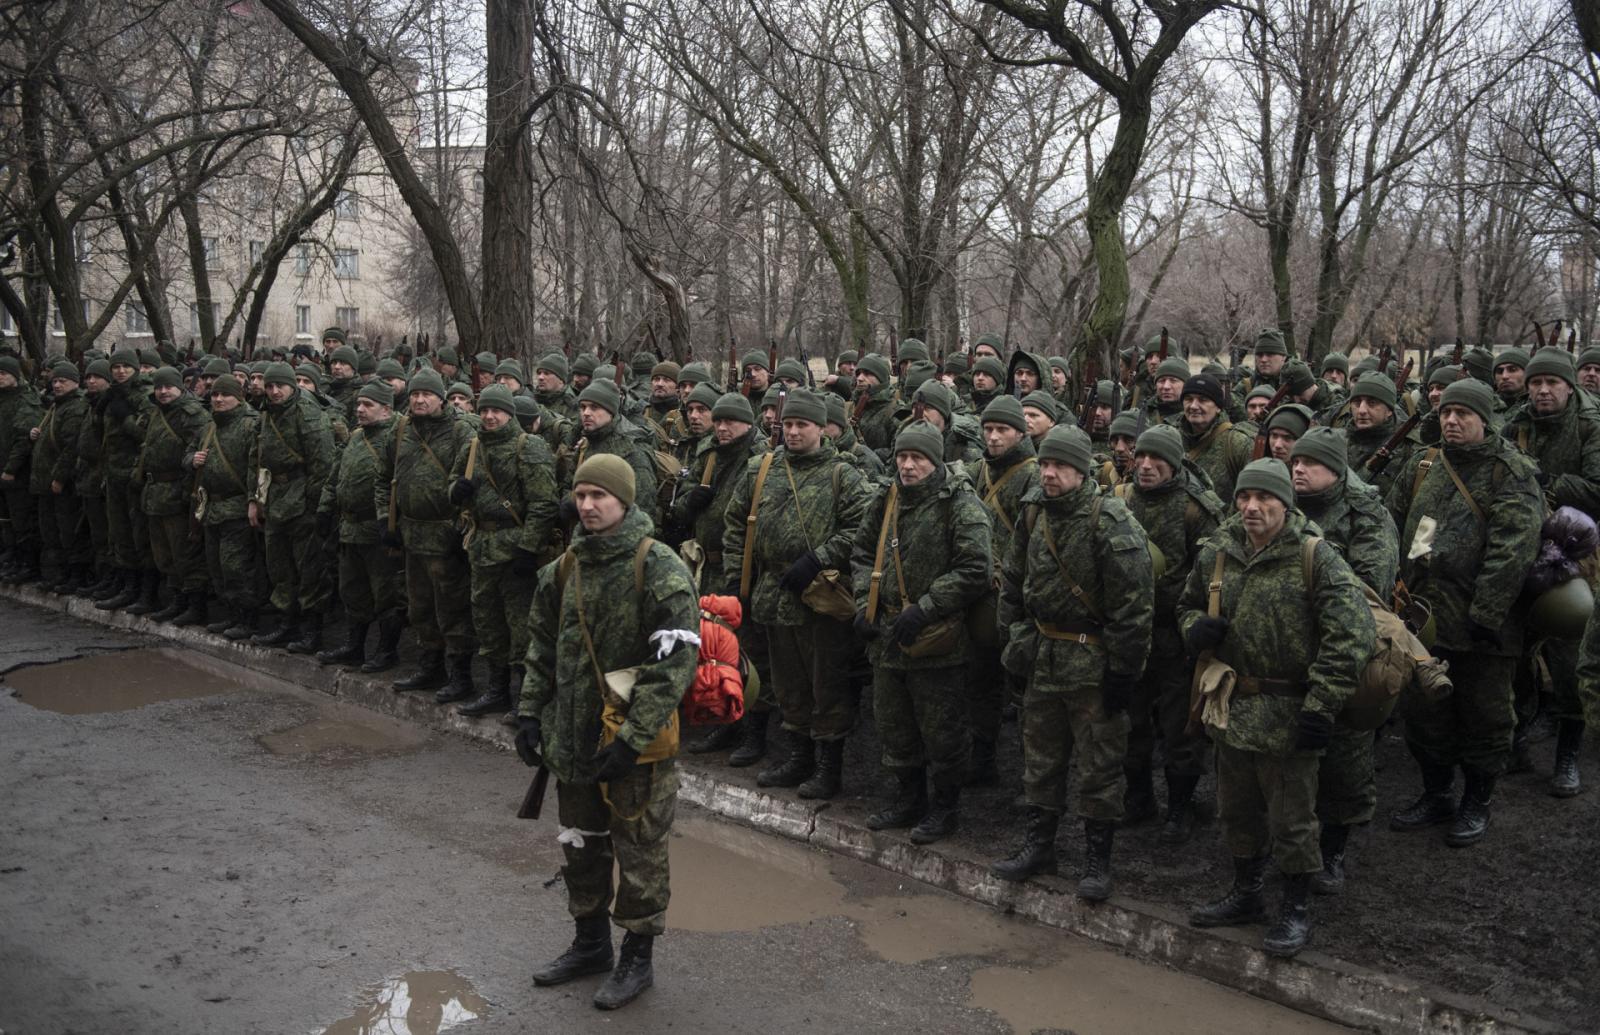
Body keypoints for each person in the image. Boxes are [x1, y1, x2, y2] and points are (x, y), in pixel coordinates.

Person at [515, 454, 698, 1011]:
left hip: (633, 746)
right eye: (581, 495)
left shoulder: (659, 566)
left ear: (625, 500)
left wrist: (632, 739)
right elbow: (542, 646)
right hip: (571, 739)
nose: (587, 505)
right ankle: (590, 943)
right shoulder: (564, 568)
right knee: (582, 845)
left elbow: (675, 665)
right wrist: (529, 712)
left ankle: (637, 959)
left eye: (600, 495)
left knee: (640, 850)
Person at [1181, 458, 1374, 958]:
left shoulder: (1316, 557)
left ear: (1285, 505)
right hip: (1232, 708)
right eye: (1244, 498)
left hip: (1290, 714)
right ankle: (1246, 894)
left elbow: (1351, 636)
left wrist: (1322, 704)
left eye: (1264, 499)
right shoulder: (1219, 555)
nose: (1251, 507)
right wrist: (1193, 629)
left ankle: (1294, 908)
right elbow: (1185, 605)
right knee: (1236, 811)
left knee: (1293, 820)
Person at [990, 425, 1153, 902]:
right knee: (1040, 759)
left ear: (1082, 470)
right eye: (1044, 464)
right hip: (1042, 656)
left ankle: (1097, 862)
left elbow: (1134, 607)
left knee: (1099, 766)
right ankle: (1039, 846)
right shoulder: (1034, 512)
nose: (1049, 474)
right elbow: (1013, 582)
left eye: (1060, 466)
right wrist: (1014, 642)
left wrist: (1123, 673)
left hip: (1093, 663)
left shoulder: (1111, 521)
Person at [1386, 378, 1542, 846]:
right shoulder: (1423, 463)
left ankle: (1477, 800)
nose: (1451, 421)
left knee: (1486, 717)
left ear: (1485, 419)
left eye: (1463, 414)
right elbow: (1390, 524)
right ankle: (1437, 794)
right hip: (1422, 618)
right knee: (1424, 714)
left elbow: (1513, 548)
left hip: (1482, 627)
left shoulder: (1510, 472)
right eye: (1447, 413)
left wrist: (1488, 614)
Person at [723, 388, 868, 799]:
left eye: (802, 424)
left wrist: (820, 557)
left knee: (827, 683)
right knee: (787, 684)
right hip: (772, 593)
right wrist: (739, 578)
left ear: (822, 428)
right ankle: (798, 756)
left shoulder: (844, 474)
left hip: (820, 596)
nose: (793, 432)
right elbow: (736, 523)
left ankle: (827, 767)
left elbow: (861, 528)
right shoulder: (761, 469)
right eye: (787, 424)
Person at [851, 422, 992, 843]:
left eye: (918, 458)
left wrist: (928, 606)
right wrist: (864, 603)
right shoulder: (887, 497)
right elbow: (861, 552)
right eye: (902, 457)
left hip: (937, 638)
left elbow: (976, 568)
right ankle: (907, 798)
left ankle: (944, 808)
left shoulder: (960, 504)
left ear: (935, 460)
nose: (908, 466)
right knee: (894, 724)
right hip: (887, 635)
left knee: (942, 728)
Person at [1288, 427, 1400, 893]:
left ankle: (1333, 851)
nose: (1297, 470)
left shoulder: (1367, 517)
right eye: (1294, 463)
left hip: (1344, 650)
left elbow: (1367, 591)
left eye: (1308, 464)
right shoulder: (1280, 506)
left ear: (1336, 471)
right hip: (1287, 653)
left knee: (1344, 761)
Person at [1116, 425, 1225, 843]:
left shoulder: (1197, 509)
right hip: (1130, 632)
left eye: (1155, 458)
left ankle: (1180, 807)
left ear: (1175, 462)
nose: (1144, 465)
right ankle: (1138, 799)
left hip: (1176, 637)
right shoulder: (1120, 501)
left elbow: (1213, 574)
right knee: (1130, 721)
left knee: (1182, 727)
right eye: (1140, 456)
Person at [1499, 348, 1600, 794]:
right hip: (1523, 547)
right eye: (1535, 382)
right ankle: (1516, 740)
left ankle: (1567, 756)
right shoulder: (1516, 423)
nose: (1541, 390)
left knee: (1567, 654)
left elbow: (1598, 489)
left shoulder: (1589, 427)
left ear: (1569, 386)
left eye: (1551, 383)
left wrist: (1547, 481)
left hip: (1578, 552)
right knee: (1514, 649)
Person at [449, 384, 559, 716]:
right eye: (484, 410)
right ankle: (497, 690)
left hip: (514, 550)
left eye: (496, 411)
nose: (489, 416)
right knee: (487, 621)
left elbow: (544, 504)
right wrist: (457, 490)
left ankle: (526, 698)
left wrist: (528, 549)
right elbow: (452, 481)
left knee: (522, 626)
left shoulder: (528, 446)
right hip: (481, 548)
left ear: (510, 414)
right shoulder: (473, 447)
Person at [379, 368, 478, 699]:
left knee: (451, 607)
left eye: (427, 395)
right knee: (420, 606)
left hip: (444, 536)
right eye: (415, 395)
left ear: (441, 398)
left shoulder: (461, 430)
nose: (420, 400)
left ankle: (460, 674)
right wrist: (386, 521)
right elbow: (384, 476)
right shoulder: (402, 429)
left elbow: (471, 482)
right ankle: (430, 666)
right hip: (411, 534)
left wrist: (459, 528)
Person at [969, 396, 1040, 782]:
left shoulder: (1033, 475)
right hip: (981, 593)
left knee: (1024, 689)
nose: (993, 438)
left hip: (1018, 596)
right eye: (988, 429)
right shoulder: (979, 469)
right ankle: (983, 758)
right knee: (980, 681)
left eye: (1002, 430)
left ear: (1020, 433)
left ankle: (1032, 777)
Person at [315, 380, 406, 671]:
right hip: (349, 529)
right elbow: (335, 476)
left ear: (386, 410)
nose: (360, 409)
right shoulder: (355, 437)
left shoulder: (397, 438)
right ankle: (354, 646)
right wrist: (324, 509)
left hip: (377, 529)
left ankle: (386, 650)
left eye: (368, 405)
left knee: (386, 593)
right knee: (353, 591)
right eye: (359, 404)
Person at [249, 361, 335, 650]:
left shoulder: (308, 414)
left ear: (292, 386)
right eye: (270, 386)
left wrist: (315, 507)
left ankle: (311, 630)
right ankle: (287, 624)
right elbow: (257, 458)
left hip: (302, 499)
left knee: (309, 568)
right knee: (279, 566)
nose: (274, 392)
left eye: (280, 386)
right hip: (275, 498)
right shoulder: (266, 415)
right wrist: (255, 500)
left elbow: (323, 464)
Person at [192, 374, 266, 640]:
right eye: (214, 395)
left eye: (225, 395)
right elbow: (189, 452)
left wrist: (253, 502)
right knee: (217, 566)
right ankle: (231, 615)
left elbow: (256, 468)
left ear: (239, 397)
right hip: (212, 508)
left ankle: (248, 618)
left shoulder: (251, 425)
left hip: (237, 507)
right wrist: (192, 458)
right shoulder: (208, 426)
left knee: (236, 566)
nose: (219, 399)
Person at [141, 366, 212, 623]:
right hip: (156, 492)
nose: (162, 392)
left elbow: (200, 452)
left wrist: (188, 494)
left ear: (179, 387)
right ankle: (176, 600)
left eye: (168, 386)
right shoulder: (156, 413)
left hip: (179, 491)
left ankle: (195, 606)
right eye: (158, 387)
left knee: (186, 553)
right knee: (164, 553)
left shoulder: (191, 415)